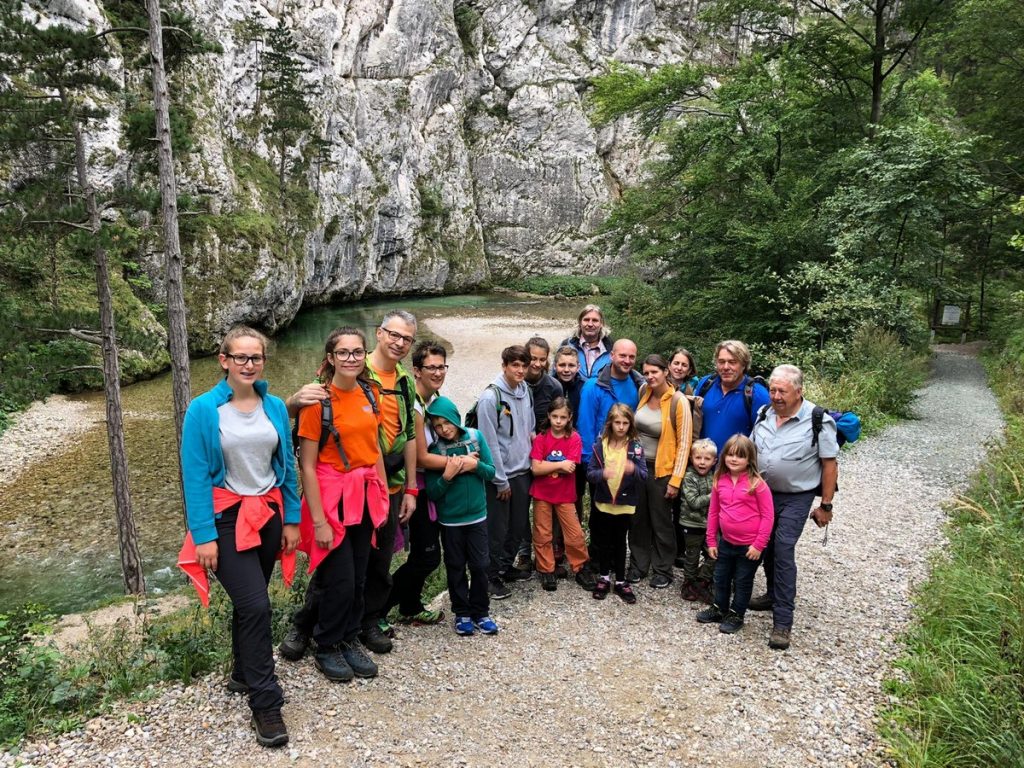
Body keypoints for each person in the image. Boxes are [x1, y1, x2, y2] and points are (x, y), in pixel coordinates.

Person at [178, 326, 301, 748]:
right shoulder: (203, 410)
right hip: (226, 518)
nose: (249, 365)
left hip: (267, 515)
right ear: (223, 360)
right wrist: (204, 536)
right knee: (256, 604)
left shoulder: (275, 407)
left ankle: (240, 673)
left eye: (256, 358)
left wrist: (292, 519)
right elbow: (194, 477)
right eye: (241, 357)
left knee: (251, 606)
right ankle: (266, 703)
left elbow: (285, 463)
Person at [283, 327, 389, 683]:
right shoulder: (317, 403)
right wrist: (319, 520)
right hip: (331, 499)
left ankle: (346, 637)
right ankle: (326, 644)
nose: (351, 359)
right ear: (330, 358)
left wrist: (384, 495)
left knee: (358, 574)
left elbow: (374, 451)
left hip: (363, 495)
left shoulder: (370, 393)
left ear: (364, 356)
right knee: (338, 577)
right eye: (342, 353)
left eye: (357, 352)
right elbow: (307, 466)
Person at [749, 364, 839, 651]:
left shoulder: (818, 420)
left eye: (782, 391)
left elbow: (829, 464)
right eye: (773, 390)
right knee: (765, 546)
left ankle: (783, 622)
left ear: (798, 392)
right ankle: (772, 594)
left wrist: (826, 505)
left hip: (797, 497)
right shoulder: (764, 414)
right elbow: (752, 452)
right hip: (762, 495)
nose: (775, 396)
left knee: (784, 548)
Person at [358, 310, 419, 653]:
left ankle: (369, 620)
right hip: (357, 483)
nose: (399, 343)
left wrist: (411, 487)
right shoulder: (356, 368)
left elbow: (409, 433)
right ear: (379, 333)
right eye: (394, 335)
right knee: (345, 559)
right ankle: (310, 625)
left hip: (393, 483)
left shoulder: (404, 380)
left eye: (406, 339)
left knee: (381, 559)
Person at [384, 340, 449, 625]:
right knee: (426, 557)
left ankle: (409, 605)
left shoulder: (432, 399)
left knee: (425, 554)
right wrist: (463, 462)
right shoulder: (414, 405)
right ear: (416, 370)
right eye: (431, 367)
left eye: (441, 366)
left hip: (428, 489)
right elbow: (420, 457)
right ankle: (375, 610)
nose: (437, 373)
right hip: (413, 487)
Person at [424, 397, 500, 636]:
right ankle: (462, 613)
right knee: (455, 566)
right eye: (437, 426)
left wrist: (473, 465)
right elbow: (433, 492)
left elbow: (491, 472)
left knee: (480, 565)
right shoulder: (434, 451)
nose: (444, 429)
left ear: (456, 418)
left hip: (477, 517)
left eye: (446, 422)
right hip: (451, 522)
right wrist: (447, 476)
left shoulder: (476, 438)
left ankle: (481, 611)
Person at [696, 435, 774, 635]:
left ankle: (737, 614)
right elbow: (713, 512)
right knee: (720, 577)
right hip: (726, 542)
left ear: (750, 459)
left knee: (742, 581)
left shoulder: (758, 484)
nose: (734, 459)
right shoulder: (719, 481)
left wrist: (758, 545)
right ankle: (719, 608)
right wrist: (712, 540)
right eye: (730, 454)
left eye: (740, 456)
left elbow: (768, 517)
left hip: (749, 547)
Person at [627, 354, 693, 590]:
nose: (650, 376)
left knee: (662, 520)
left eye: (655, 371)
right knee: (638, 519)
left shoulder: (678, 401)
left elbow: (684, 443)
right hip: (638, 466)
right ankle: (638, 564)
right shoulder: (644, 391)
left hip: (662, 469)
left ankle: (663, 568)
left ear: (666, 371)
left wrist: (675, 480)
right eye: (646, 372)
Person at [476, 345, 536, 599]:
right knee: (497, 529)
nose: (520, 370)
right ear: (504, 366)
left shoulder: (526, 391)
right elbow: (488, 443)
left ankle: (504, 567)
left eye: (524, 365)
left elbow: (529, 429)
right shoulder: (491, 398)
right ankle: (489, 577)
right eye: (515, 365)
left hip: (523, 471)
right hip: (501, 476)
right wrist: (499, 481)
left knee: (518, 526)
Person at [529, 397, 593, 592]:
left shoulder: (573, 438)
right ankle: (546, 569)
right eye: (555, 416)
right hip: (542, 494)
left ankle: (581, 566)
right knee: (543, 533)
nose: (558, 421)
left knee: (574, 533)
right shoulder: (541, 438)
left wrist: (547, 466)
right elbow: (535, 469)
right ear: (549, 416)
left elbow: (571, 467)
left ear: (569, 418)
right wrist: (558, 465)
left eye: (562, 417)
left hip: (565, 495)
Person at [587, 404, 647, 604]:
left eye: (625, 423)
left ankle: (620, 580)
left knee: (621, 542)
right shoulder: (599, 445)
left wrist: (633, 469)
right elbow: (591, 473)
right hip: (604, 502)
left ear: (630, 424)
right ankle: (604, 577)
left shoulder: (635, 447)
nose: (621, 427)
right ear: (610, 423)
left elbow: (644, 475)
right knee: (603, 541)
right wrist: (601, 474)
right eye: (617, 423)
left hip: (625, 503)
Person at [515, 336, 564, 572]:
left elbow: (559, 419)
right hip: (521, 452)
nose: (536, 364)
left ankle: (550, 549)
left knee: (549, 502)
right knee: (522, 503)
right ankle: (524, 552)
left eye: (542, 360)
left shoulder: (553, 386)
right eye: (533, 358)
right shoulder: (517, 380)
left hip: (547, 454)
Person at [577, 338, 642, 472]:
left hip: (627, 460)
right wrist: (591, 462)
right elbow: (585, 426)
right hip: (602, 459)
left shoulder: (639, 384)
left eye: (631, 357)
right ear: (612, 356)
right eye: (622, 356)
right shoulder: (593, 386)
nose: (627, 360)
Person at [693, 340, 770, 454]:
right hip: (703, 466)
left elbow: (765, 440)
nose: (726, 367)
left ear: (743, 365)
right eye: (721, 362)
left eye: (732, 362)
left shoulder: (757, 394)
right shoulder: (706, 384)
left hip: (735, 468)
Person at [679, 439, 717, 602]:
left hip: (709, 525)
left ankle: (702, 581)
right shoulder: (689, 477)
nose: (702, 462)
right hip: (691, 523)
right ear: (691, 458)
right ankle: (688, 583)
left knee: (715, 553)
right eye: (698, 458)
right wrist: (714, 496)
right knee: (692, 556)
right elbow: (693, 502)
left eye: (707, 459)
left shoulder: (714, 477)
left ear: (714, 461)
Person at [552, 345, 587, 520]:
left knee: (576, 493)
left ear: (578, 367)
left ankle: (573, 534)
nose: (566, 370)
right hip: (551, 448)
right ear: (555, 365)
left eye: (571, 366)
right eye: (562, 365)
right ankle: (553, 538)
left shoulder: (585, 387)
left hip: (575, 448)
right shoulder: (548, 385)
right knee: (551, 491)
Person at [560, 304, 613, 378]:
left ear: (601, 324)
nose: (590, 324)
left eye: (595, 320)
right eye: (586, 320)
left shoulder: (611, 348)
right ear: (580, 322)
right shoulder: (568, 344)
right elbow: (555, 375)